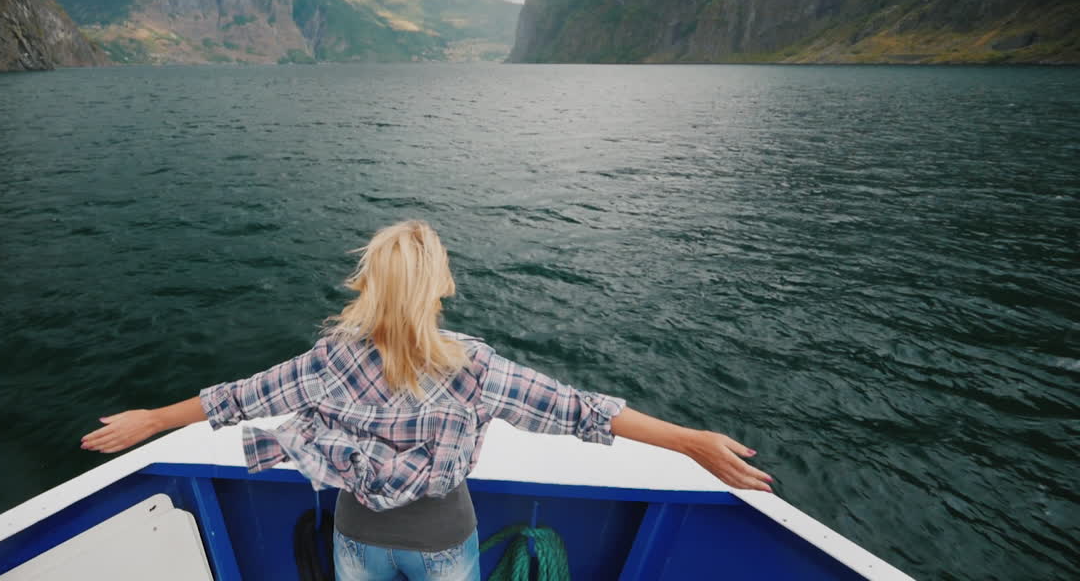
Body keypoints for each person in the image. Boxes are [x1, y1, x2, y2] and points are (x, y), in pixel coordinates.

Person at [82, 219, 773, 581]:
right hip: (443, 539)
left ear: (368, 287)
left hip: (356, 535)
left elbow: (236, 400)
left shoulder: (327, 362)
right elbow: (582, 411)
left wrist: (153, 419)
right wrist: (690, 441)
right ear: (438, 288)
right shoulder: (474, 368)